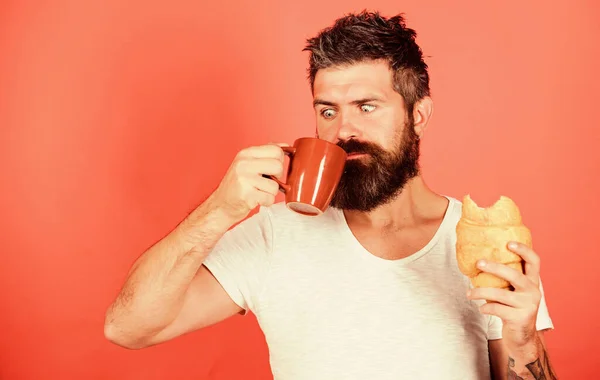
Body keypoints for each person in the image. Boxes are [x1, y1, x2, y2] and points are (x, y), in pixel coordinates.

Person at [104, 11, 558, 380]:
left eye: (366, 106)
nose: (343, 131)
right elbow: (128, 328)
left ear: (419, 114)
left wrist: (521, 338)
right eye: (328, 110)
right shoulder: (275, 236)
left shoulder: (483, 246)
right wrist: (218, 211)